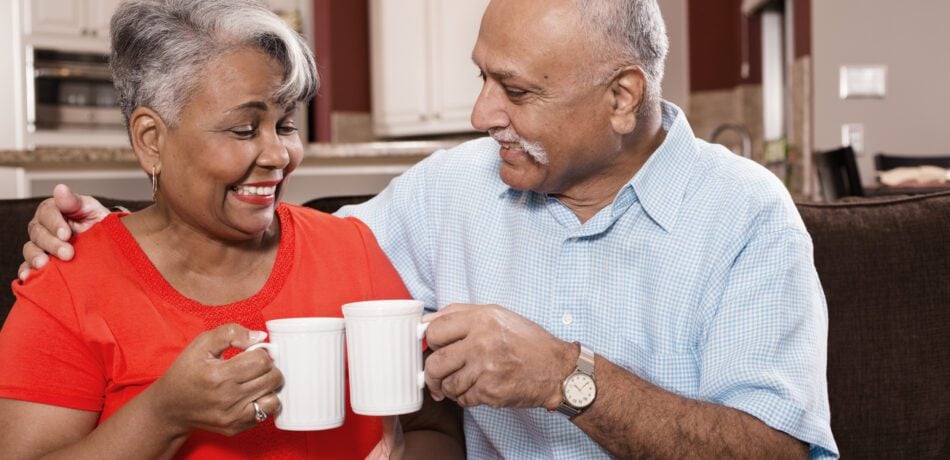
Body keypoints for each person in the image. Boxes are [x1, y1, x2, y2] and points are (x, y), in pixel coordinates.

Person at [18, 0, 839, 458]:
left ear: (622, 99)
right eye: (481, 78)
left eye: (513, 91)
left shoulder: (746, 217)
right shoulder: (452, 190)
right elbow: (279, 248)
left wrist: (565, 376)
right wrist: (124, 229)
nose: (481, 116)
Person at [0, 1, 463, 459]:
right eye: (244, 129)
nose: (278, 155)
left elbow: (433, 429)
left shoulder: (350, 247)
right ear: (150, 140)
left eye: (285, 125)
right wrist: (164, 415)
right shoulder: (69, 278)